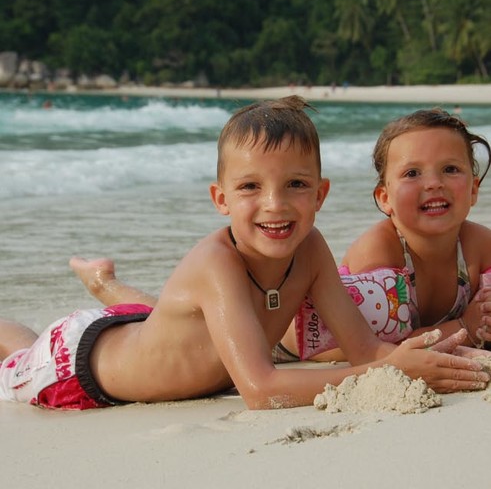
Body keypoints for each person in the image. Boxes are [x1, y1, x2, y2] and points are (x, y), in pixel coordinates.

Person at [4, 97, 488, 411]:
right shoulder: (216, 263)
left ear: (320, 195)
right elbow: (260, 389)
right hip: (76, 368)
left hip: (139, 331)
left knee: (170, 320)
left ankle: (106, 286)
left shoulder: (312, 249)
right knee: (17, 349)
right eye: (251, 186)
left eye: (296, 185)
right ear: (221, 199)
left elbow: (367, 348)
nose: (275, 204)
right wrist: (387, 370)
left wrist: (439, 360)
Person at [279, 108, 491, 362]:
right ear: (385, 198)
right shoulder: (379, 250)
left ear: (473, 190)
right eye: (412, 173)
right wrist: (466, 326)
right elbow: (378, 351)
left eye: (450, 169)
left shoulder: (479, 244)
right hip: (283, 344)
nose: (434, 183)